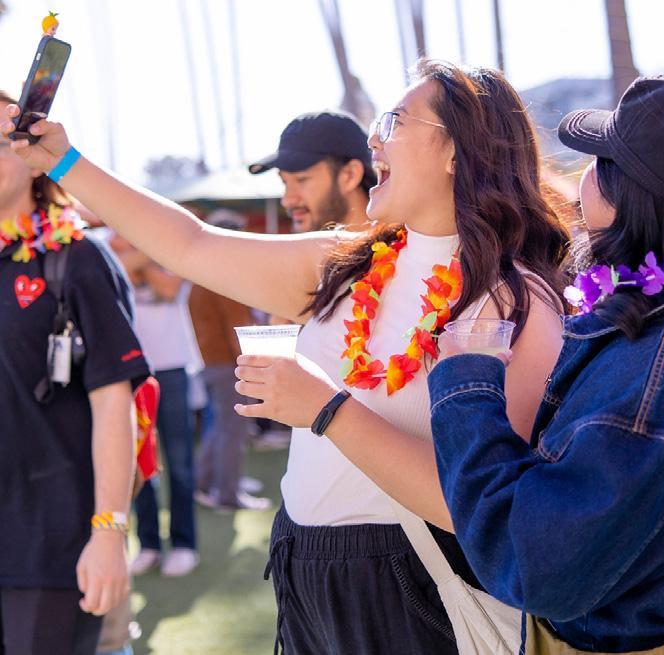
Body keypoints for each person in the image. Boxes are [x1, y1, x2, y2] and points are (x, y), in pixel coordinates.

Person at [1, 60, 570, 653]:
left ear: (455, 149)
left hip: (411, 590)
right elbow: (189, 244)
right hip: (303, 566)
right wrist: (65, 162)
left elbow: (485, 506)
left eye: (394, 122)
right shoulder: (349, 263)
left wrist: (327, 410)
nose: (374, 139)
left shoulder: (516, 301)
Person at [425, 76, 664, 652]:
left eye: (600, 159)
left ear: (628, 196)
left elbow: (531, 564)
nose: (583, 172)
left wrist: (467, 382)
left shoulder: (663, 372)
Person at [0, 90, 149, 655]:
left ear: (34, 159)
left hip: (50, 548)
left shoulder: (77, 258)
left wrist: (108, 534)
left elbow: (114, 403)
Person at [108, 233, 202, 578]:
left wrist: (138, 253)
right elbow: (117, 266)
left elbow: (170, 287)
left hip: (173, 368)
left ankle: (184, 544)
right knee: (138, 460)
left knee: (179, 463)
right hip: (132, 369)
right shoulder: (140, 248)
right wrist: (146, 256)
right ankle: (147, 544)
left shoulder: (174, 245)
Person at [189, 209, 272, 511]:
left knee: (222, 429)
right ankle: (227, 493)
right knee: (231, 431)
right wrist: (254, 362)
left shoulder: (204, 274)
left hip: (215, 363)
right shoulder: (221, 276)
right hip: (228, 364)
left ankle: (208, 483)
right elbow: (238, 328)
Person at [249, 109, 376, 233]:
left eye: (301, 179)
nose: (287, 200)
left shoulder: (388, 244)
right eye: (284, 182)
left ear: (350, 175)